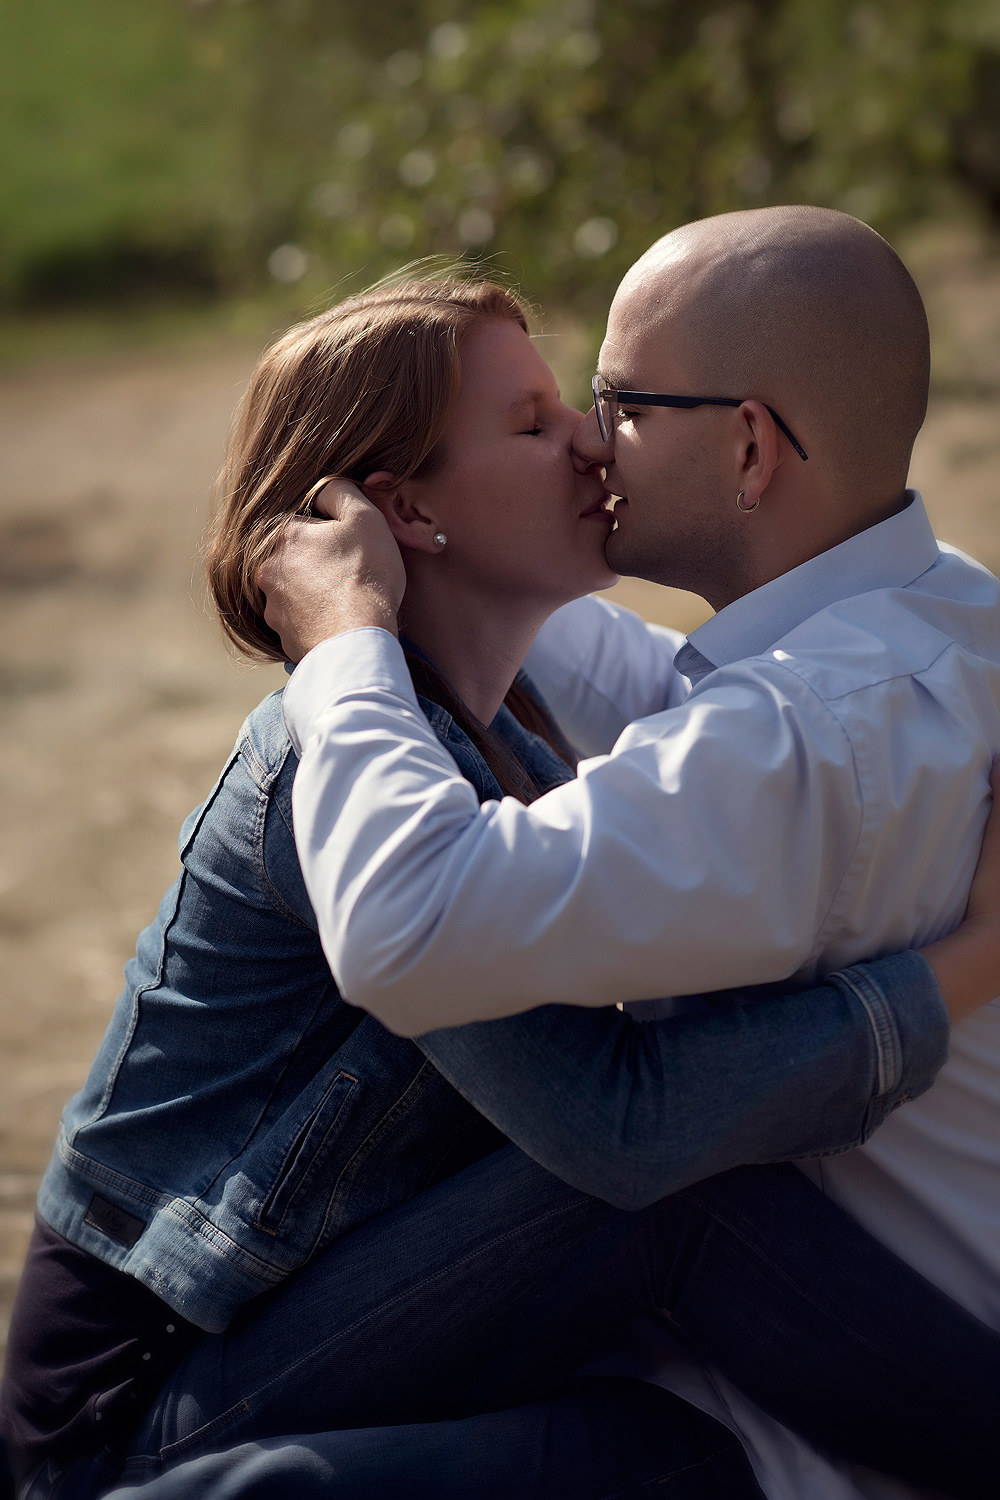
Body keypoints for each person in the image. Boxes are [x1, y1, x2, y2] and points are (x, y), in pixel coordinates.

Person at [4, 273, 1000, 1500]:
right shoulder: (342, 794)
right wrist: (957, 970)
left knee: (684, 1443)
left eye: (595, 406)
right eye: (538, 423)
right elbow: (621, 1136)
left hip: (323, 1318)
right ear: (405, 511)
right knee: (674, 1205)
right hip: (147, 1399)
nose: (592, 445)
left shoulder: (512, 727)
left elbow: (732, 691)